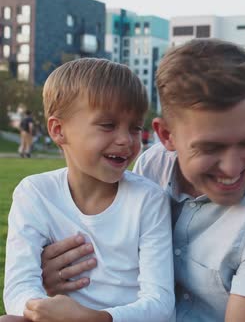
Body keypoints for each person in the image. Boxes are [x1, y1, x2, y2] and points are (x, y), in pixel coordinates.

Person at [36, 39, 245, 321]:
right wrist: (61, 274)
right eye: (210, 147)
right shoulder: (151, 167)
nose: (232, 168)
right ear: (166, 135)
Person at [3, 59, 174, 321]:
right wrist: (38, 308)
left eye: (135, 128)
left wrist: (96, 318)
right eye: (108, 125)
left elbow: (160, 303)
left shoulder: (148, 199)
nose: (126, 140)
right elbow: (19, 286)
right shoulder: (35, 193)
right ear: (58, 130)